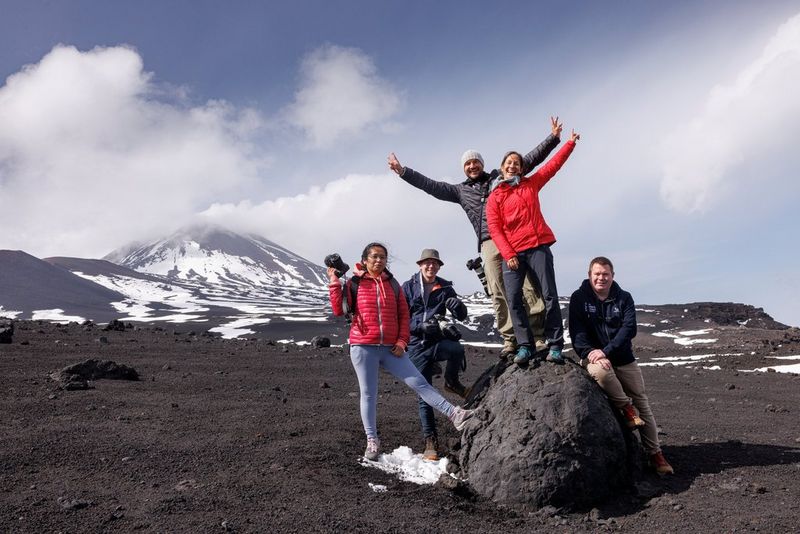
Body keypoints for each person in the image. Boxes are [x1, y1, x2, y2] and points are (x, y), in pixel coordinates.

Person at [388, 118, 563, 359]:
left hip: (515, 237)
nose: (472, 166)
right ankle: (510, 339)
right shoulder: (459, 191)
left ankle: (538, 336)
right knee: (499, 290)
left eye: (476, 162)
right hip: (489, 242)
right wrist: (403, 172)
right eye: (468, 163)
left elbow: (529, 160)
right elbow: (430, 185)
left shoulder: (496, 178)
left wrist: (553, 138)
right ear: (464, 168)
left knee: (529, 287)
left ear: (482, 164)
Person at [327, 242, 474, 461]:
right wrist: (334, 281)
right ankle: (372, 440)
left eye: (383, 257)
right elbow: (339, 310)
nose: (379, 261)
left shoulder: (393, 284)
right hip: (363, 346)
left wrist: (403, 341)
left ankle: (455, 414)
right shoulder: (355, 283)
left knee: (419, 383)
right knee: (369, 394)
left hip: (391, 348)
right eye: (374, 257)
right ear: (365, 260)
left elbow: (404, 316)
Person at [568, 256, 674, 475]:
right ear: (590, 275)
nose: (601, 278)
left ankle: (655, 454)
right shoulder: (579, 298)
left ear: (612, 276)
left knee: (643, 403)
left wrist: (606, 351)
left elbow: (629, 329)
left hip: (623, 358)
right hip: (594, 358)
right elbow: (577, 333)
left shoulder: (624, 298)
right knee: (602, 373)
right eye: (597, 274)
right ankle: (626, 409)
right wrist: (591, 353)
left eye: (605, 274)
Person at [485, 129, 579, 366]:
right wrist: (509, 254)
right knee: (514, 299)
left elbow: (553, 166)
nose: (513, 166)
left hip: (537, 246)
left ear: (522, 167)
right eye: (509, 162)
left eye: (517, 163)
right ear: (502, 167)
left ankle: (556, 345)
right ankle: (525, 346)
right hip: (513, 253)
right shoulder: (495, 196)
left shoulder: (531, 184)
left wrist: (569, 143)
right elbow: (495, 229)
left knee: (549, 295)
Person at [402, 248, 470, 461]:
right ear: (420, 265)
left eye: (435, 263)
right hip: (416, 345)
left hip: (437, 342)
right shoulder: (408, 287)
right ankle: (430, 441)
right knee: (425, 394)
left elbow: (461, 315)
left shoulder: (445, 287)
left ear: (439, 266)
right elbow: (401, 317)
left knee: (457, 349)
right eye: (427, 263)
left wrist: (457, 306)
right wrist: (419, 326)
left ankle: (452, 382)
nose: (431, 266)